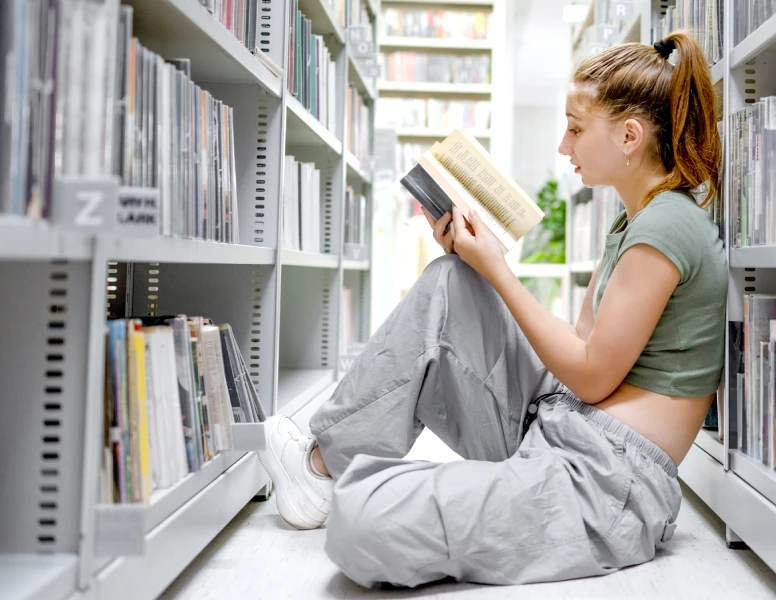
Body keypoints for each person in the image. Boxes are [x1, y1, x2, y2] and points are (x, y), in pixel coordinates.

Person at [257, 30, 725, 588]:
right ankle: (321, 467)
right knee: (452, 282)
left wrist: (499, 271)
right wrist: (483, 265)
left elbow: (595, 377)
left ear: (629, 136)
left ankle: (344, 482)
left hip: (605, 482)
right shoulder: (634, 222)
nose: (563, 147)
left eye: (575, 129)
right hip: (565, 423)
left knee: (364, 518)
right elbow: (579, 345)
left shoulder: (667, 225)